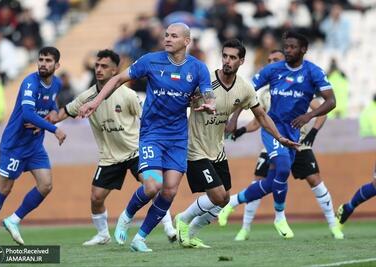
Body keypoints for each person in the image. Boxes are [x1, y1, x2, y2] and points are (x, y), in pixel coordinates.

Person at [78, 23, 216, 252]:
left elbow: (208, 93)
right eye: (166, 35)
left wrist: (209, 104)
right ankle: (127, 215)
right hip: (152, 133)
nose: (168, 38)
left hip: (178, 138)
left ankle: (140, 238)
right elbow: (117, 79)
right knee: (153, 186)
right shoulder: (150, 60)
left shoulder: (198, 68)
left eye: (174, 36)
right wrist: (95, 101)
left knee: (170, 191)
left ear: (186, 41)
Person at [174, 40, 299, 249]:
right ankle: (183, 219)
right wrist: (189, 100)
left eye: (232, 58)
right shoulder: (205, 81)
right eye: (225, 56)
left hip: (218, 150)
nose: (227, 61)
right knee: (218, 195)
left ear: (241, 61)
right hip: (195, 149)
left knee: (223, 201)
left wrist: (279, 137)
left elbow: (261, 115)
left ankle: (192, 234)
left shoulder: (244, 88)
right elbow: (179, 100)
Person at [219, 31, 336, 239]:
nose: (288, 50)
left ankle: (234, 201)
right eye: (286, 46)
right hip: (272, 128)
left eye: (292, 47)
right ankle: (279, 217)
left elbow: (331, 101)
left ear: (303, 50)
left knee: (274, 180)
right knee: (282, 168)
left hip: (294, 134)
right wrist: (235, 118)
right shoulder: (272, 71)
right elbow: (246, 91)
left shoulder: (313, 72)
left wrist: (309, 115)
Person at [54, 49, 176, 245]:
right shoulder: (86, 97)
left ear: (114, 71)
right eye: (97, 66)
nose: (99, 70)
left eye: (104, 66)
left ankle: (169, 227)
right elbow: (64, 113)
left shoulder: (128, 95)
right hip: (110, 157)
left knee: (153, 186)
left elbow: (146, 117)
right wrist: (43, 122)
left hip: (136, 151)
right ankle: (103, 235)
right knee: (96, 197)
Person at [0, 47, 66, 245]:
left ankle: (13, 220)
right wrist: (55, 129)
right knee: (4, 189)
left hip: (34, 146)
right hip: (15, 145)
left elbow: (53, 105)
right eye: (41, 59)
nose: (43, 63)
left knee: (46, 185)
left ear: (57, 65)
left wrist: (52, 115)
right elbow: (27, 113)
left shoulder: (57, 83)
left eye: (48, 60)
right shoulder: (30, 83)